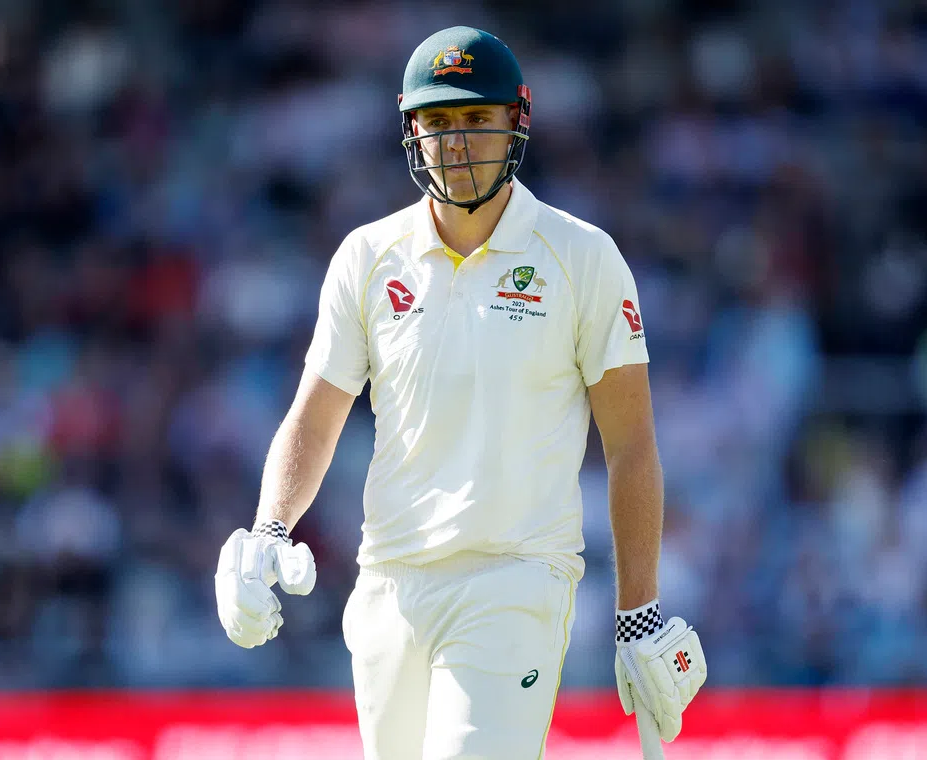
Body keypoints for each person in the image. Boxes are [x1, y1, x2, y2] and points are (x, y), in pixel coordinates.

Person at [214, 25, 707, 759]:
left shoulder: (581, 258)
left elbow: (632, 446)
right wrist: (270, 530)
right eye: (439, 123)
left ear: (519, 120)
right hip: (390, 585)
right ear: (412, 132)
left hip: (515, 582)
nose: (458, 141)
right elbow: (315, 417)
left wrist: (639, 610)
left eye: (478, 118)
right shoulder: (368, 256)